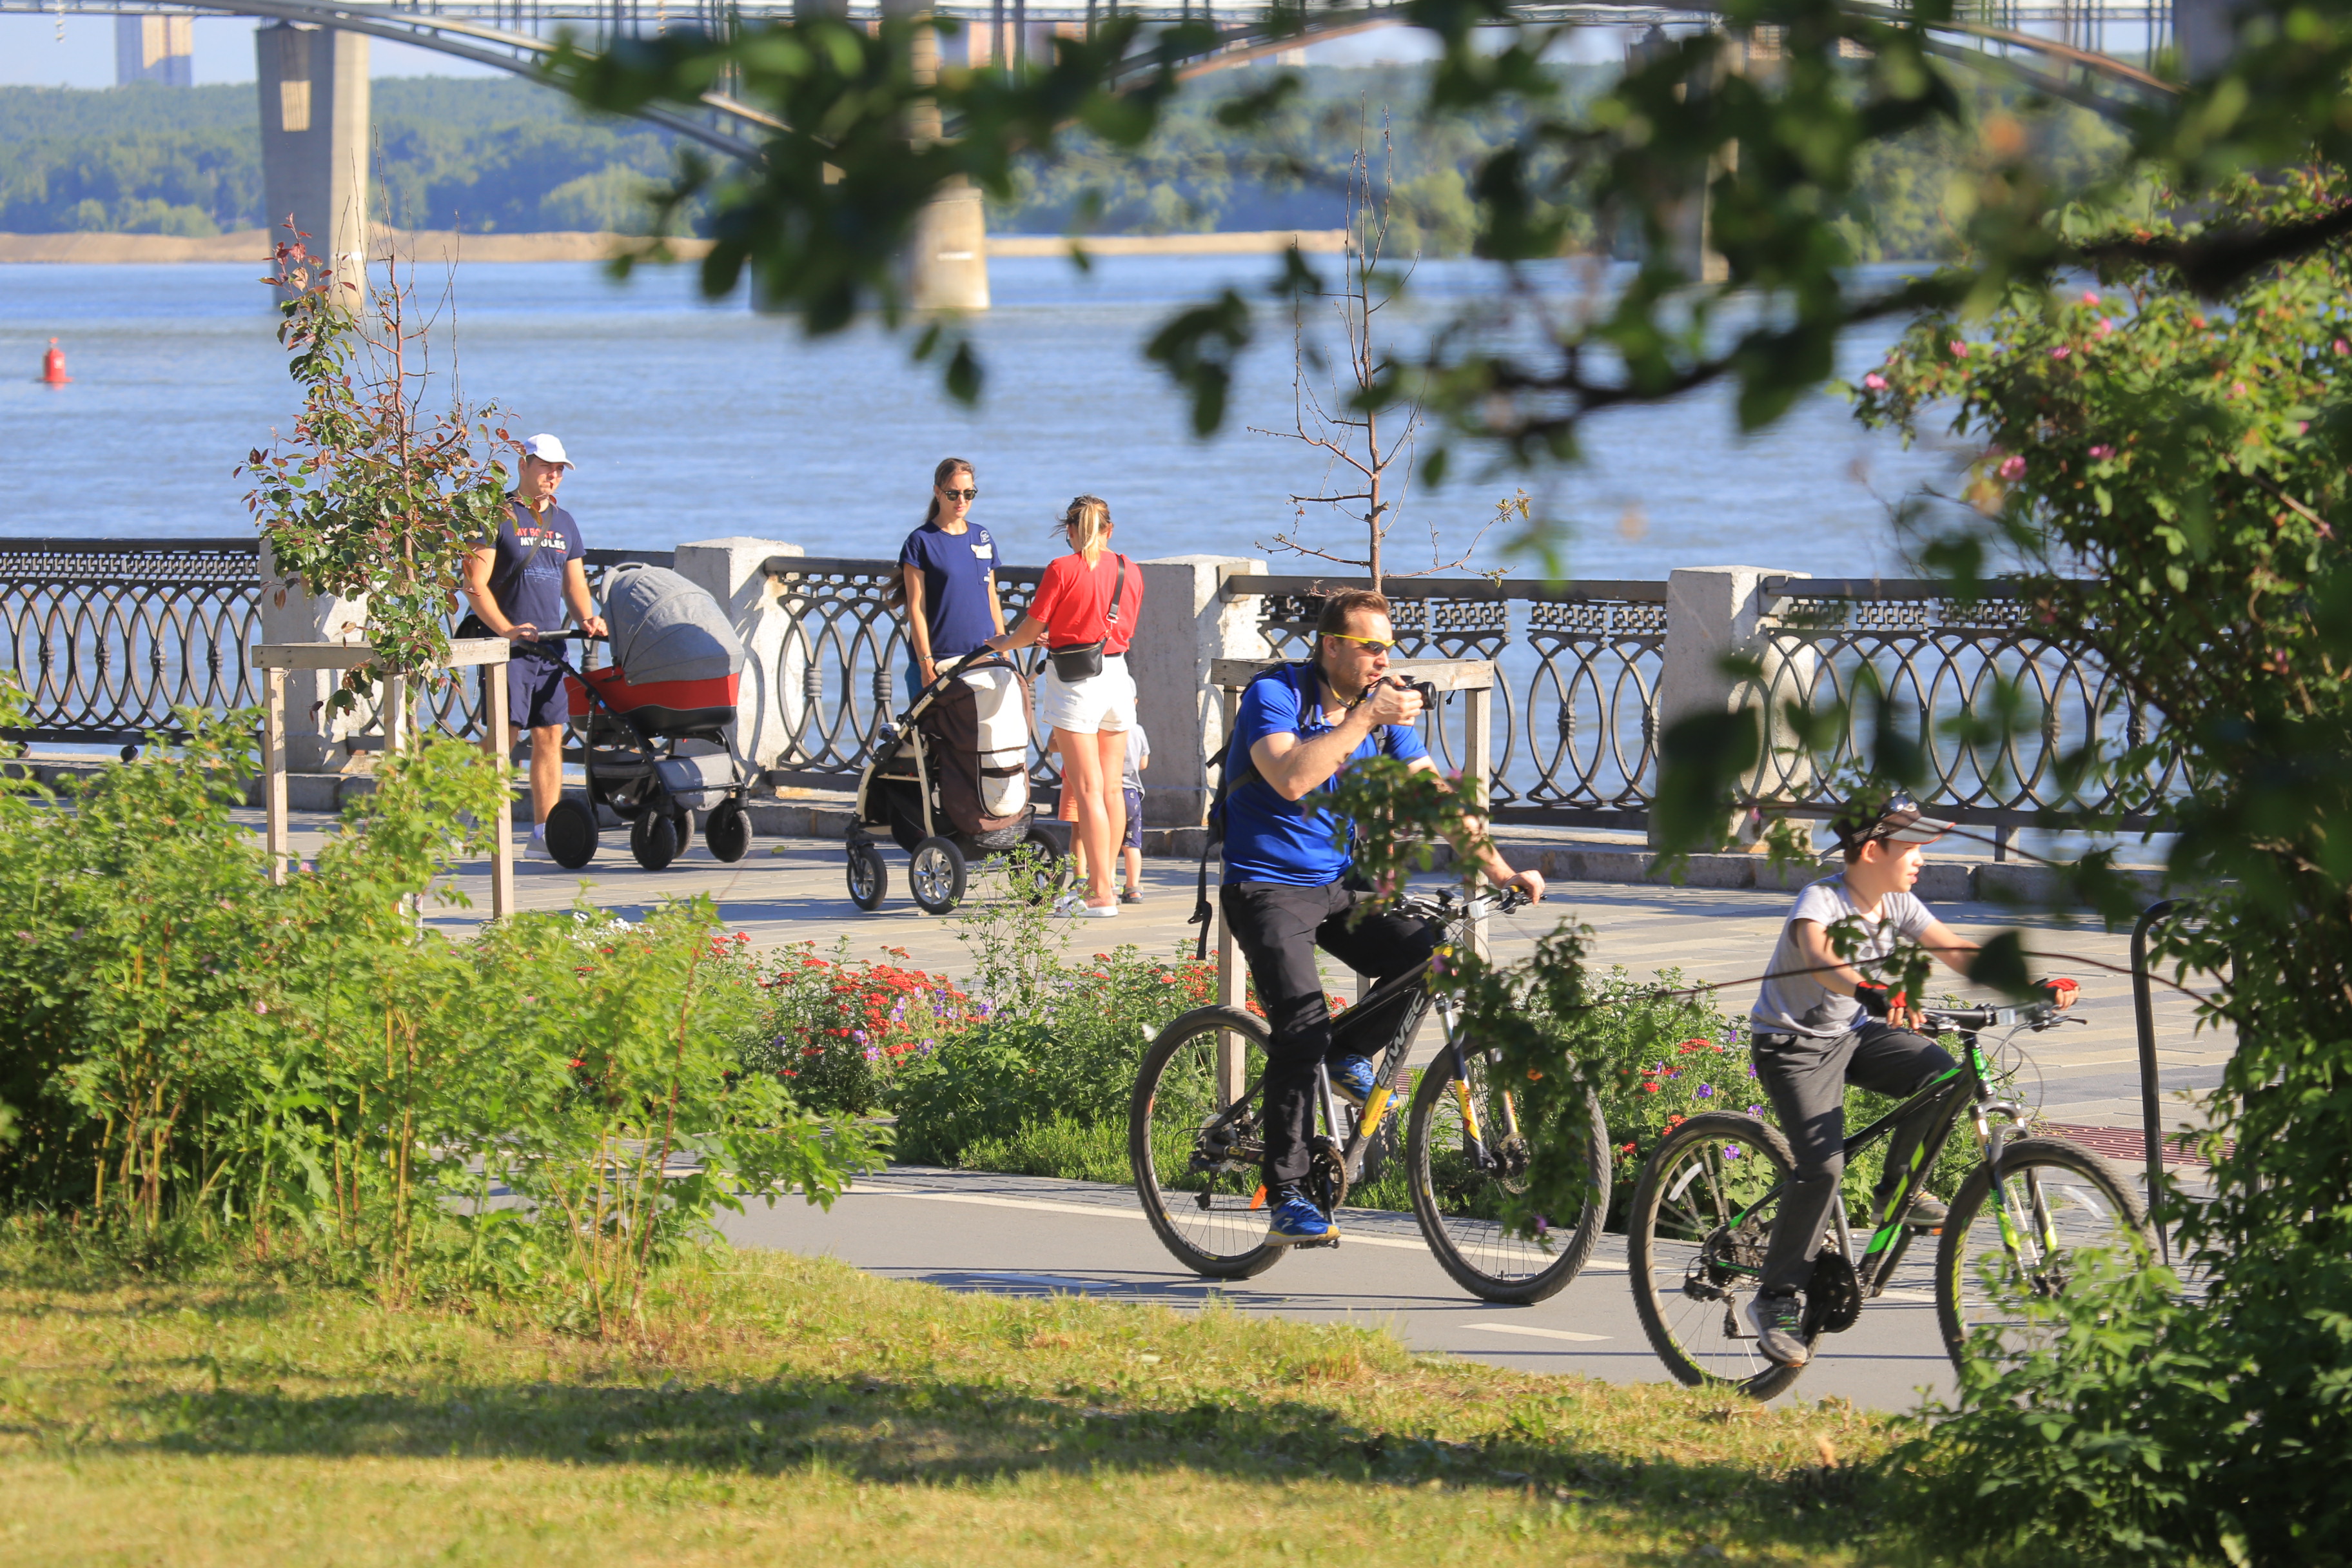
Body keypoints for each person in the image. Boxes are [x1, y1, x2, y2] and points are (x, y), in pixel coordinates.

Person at [1218, 587, 1545, 1246]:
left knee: (1427, 954)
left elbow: (1437, 798)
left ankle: (1348, 1052)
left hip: (1338, 880)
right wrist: (1365, 717)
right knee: (1300, 1024)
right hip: (1265, 884)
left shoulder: (1384, 712)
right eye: (1369, 647)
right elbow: (1290, 778)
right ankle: (1287, 1192)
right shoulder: (1276, 694)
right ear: (1331, 645)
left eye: (1387, 649)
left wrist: (1502, 869)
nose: (1381, 660)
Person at [1743, 797, 2078, 1367]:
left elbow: (1955, 949)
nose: (1922, 858)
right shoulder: (1823, 899)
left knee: (1948, 1076)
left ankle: (1896, 1191)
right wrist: (1871, 991)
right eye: (1912, 847)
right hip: (1793, 1045)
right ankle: (1775, 1296)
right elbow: (1819, 955)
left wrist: (2032, 986)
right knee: (1823, 1167)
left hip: (1852, 1033)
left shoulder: (1896, 901)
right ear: (1872, 851)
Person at [979, 495, 1140, 917]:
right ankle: (1109, 886)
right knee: (1111, 789)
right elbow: (1118, 627)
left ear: (1070, 530)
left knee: (1086, 789)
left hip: (1076, 683)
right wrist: (1067, 633)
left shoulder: (1061, 569)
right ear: (1109, 530)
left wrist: (1002, 643)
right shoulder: (1130, 569)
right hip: (1118, 677)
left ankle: (1100, 893)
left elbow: (1031, 629)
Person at [460, 433, 607, 850]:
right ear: (523, 465)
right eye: (546, 467)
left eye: (559, 470)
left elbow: (575, 584)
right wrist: (505, 630)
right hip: (506, 650)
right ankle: (472, 811)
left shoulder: (565, 523)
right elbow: (475, 585)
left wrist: (588, 618)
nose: (553, 476)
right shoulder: (496, 515)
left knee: (549, 735)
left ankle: (545, 834)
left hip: (551, 646)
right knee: (504, 738)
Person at [897, 457, 1004, 701]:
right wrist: (926, 662)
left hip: (984, 657)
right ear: (937, 492)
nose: (962, 501)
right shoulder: (921, 541)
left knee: (987, 738)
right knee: (933, 738)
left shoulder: (982, 536)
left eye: (969, 493)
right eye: (953, 494)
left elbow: (991, 596)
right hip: (939, 661)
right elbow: (916, 607)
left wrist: (1004, 648)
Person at [1066, 721, 1150, 902]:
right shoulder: (1138, 729)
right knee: (1132, 845)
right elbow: (1144, 763)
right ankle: (1134, 887)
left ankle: (1109, 883)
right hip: (1133, 794)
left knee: (1108, 843)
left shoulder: (1102, 730)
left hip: (1111, 792)